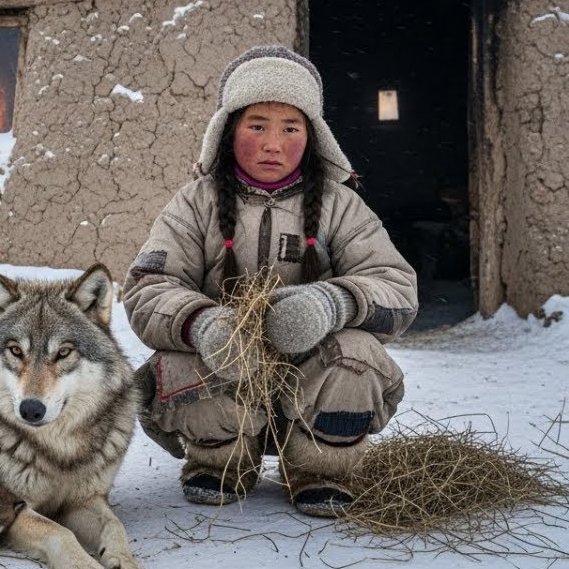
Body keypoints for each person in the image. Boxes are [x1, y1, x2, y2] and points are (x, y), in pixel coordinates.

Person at [122, 45, 416, 517]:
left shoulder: (342, 206)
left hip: (312, 378)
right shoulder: (193, 203)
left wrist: (329, 305)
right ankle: (221, 463)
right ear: (228, 131)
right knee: (177, 363)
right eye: (257, 125)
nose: (273, 143)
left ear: (312, 136)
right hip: (224, 375)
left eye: (290, 128)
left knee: (359, 356)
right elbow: (147, 287)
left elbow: (396, 288)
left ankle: (320, 469)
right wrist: (204, 325)